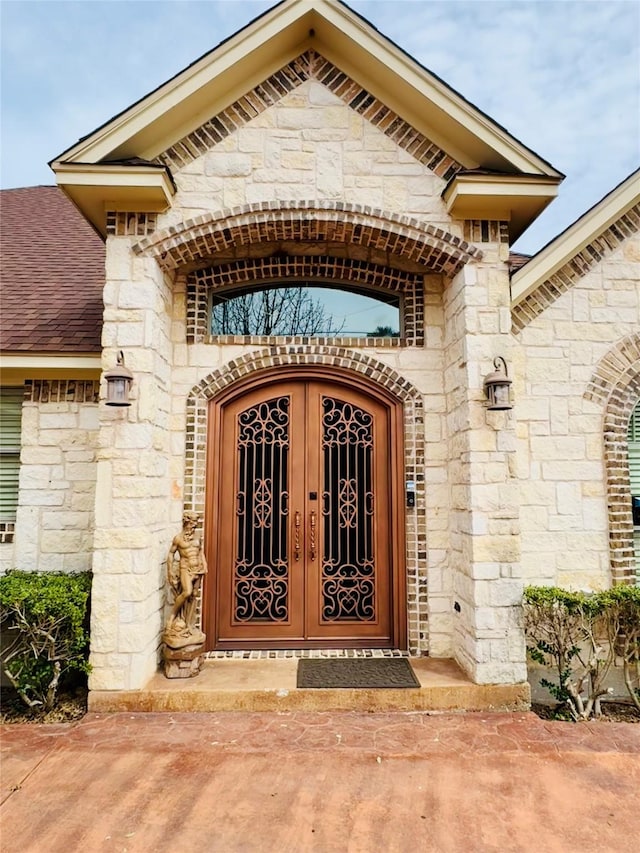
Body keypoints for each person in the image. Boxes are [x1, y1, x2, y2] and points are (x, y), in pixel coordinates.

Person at [165, 511, 207, 640]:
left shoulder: (197, 536)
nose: (195, 525)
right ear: (186, 522)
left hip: (198, 568)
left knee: (194, 595)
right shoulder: (178, 538)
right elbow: (171, 554)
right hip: (185, 568)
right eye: (193, 522)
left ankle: (189, 624)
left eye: (196, 523)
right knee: (187, 592)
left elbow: (200, 552)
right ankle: (172, 618)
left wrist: (205, 566)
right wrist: (170, 571)